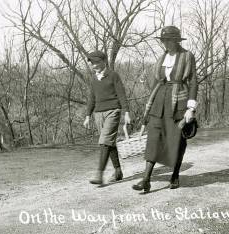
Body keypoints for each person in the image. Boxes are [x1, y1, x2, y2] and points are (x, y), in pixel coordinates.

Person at [132, 26, 198, 193]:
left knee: (177, 139)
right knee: (153, 138)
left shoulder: (187, 56)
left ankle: (175, 174)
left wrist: (191, 107)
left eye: (168, 40)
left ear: (176, 40)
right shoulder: (162, 58)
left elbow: (193, 81)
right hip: (159, 101)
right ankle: (146, 179)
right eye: (163, 40)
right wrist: (148, 107)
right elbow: (156, 82)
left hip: (178, 102)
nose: (165, 43)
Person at [83, 50, 131, 185]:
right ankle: (118, 171)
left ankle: (99, 174)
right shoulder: (93, 79)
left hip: (113, 111)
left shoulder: (113, 75)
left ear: (104, 61)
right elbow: (91, 98)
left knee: (104, 141)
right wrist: (88, 115)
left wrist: (126, 112)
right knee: (108, 142)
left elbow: (121, 94)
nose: (95, 65)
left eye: (97, 62)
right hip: (98, 113)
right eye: (92, 63)